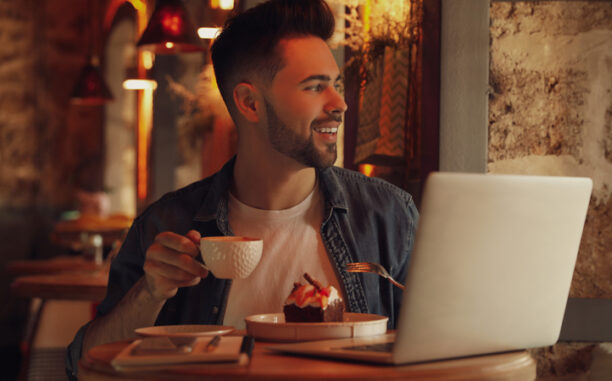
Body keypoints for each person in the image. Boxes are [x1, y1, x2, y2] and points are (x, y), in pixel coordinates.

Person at [66, 0, 418, 378]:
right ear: (250, 103)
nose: (340, 104)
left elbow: (433, 352)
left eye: (336, 85)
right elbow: (84, 369)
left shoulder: (388, 215)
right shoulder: (167, 223)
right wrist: (149, 293)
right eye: (315, 87)